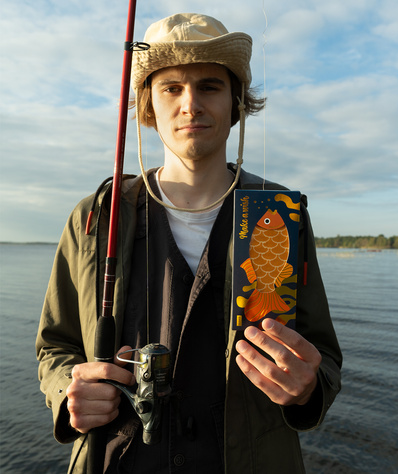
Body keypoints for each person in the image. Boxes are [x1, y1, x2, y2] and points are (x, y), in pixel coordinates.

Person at [36, 13, 342, 474]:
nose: (191, 104)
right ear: (148, 105)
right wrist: (68, 391)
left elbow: (324, 356)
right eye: (171, 88)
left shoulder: (280, 216)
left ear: (236, 102)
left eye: (210, 86)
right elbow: (55, 344)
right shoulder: (96, 215)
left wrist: (307, 387)